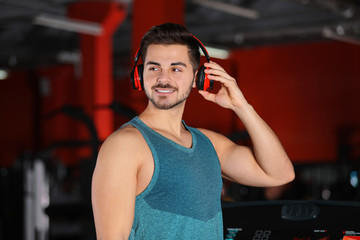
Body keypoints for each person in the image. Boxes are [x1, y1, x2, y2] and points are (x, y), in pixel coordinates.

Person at [91, 23, 295, 240]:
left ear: (198, 77)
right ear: (140, 75)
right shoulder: (125, 145)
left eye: (176, 69)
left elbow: (279, 174)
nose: (163, 78)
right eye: (154, 67)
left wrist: (242, 106)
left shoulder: (210, 144)